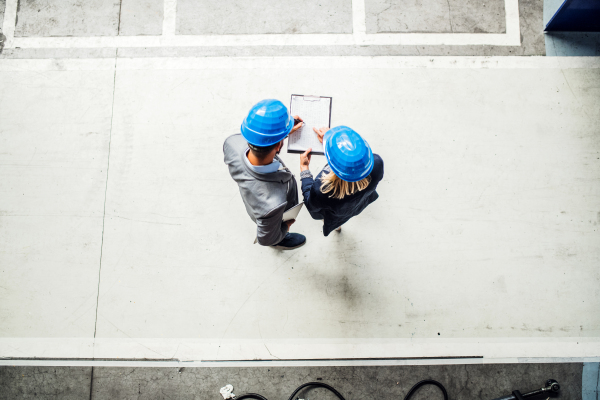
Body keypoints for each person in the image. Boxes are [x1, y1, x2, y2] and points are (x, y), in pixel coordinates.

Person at [223, 99, 306, 250]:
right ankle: (280, 242)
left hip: (253, 201)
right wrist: (284, 228)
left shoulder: (232, 143)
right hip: (270, 214)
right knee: (274, 236)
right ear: (278, 145)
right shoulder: (273, 205)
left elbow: (259, 138)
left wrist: (282, 132)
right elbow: (265, 239)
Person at [298, 126, 384, 236]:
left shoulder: (323, 189)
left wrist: (304, 168)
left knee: (332, 220)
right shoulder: (377, 163)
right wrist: (332, 143)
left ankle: (337, 227)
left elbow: (311, 204)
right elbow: (353, 161)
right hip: (357, 206)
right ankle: (338, 226)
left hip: (334, 215)